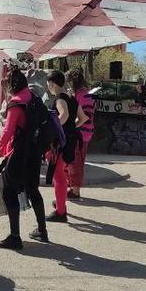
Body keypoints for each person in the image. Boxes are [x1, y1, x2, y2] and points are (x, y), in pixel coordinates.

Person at [0, 69, 50, 249]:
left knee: (8, 191)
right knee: (33, 190)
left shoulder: (16, 103)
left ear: (12, 85)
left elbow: (8, 131)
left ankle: (15, 237)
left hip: (19, 153)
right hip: (35, 153)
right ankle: (42, 230)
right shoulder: (33, 98)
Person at [46, 70, 84, 220]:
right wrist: (71, 129)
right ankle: (60, 202)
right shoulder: (72, 98)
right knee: (61, 173)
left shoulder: (60, 98)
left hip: (60, 143)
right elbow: (83, 118)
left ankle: (61, 212)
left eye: (48, 83)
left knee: (58, 176)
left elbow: (64, 114)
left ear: (52, 83)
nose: (48, 86)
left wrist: (53, 128)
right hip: (70, 140)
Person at [67, 68, 94, 199]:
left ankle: (75, 190)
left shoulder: (83, 95)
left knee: (76, 162)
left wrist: (72, 127)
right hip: (83, 133)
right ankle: (73, 187)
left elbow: (86, 116)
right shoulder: (82, 94)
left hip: (81, 134)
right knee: (74, 161)